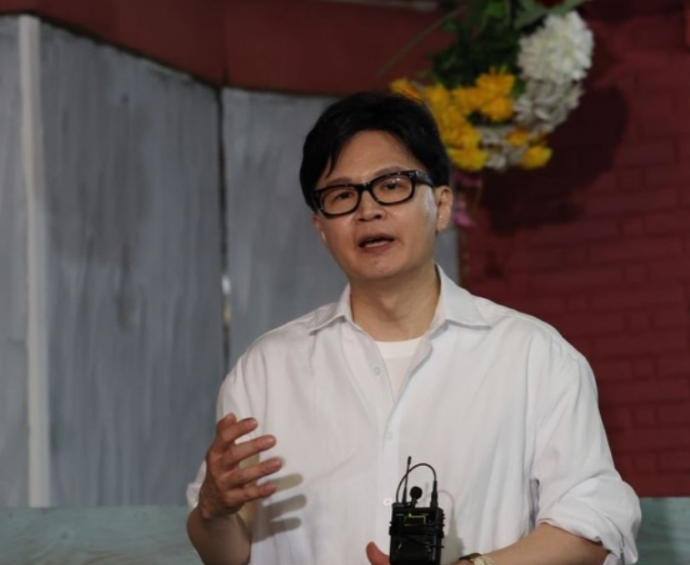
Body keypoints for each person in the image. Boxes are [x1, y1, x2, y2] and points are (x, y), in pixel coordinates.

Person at [186, 91, 640, 565]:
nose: (368, 210)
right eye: (342, 195)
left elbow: (595, 524)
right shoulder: (267, 370)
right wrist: (213, 512)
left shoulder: (533, 355)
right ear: (321, 228)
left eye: (392, 185)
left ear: (441, 206)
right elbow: (227, 554)